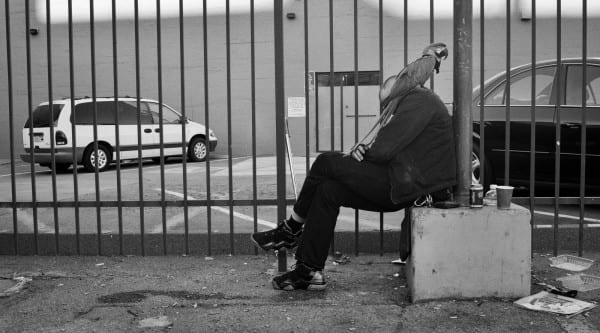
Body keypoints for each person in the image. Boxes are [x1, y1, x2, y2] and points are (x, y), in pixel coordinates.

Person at [251, 84, 456, 291]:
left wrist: (365, 151)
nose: (386, 110)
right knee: (328, 190)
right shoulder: (418, 103)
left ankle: (290, 230)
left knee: (325, 162)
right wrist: (366, 150)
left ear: (397, 94)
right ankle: (308, 271)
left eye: (387, 104)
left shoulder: (419, 101)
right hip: (404, 183)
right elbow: (390, 148)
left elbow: (383, 149)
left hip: (407, 186)